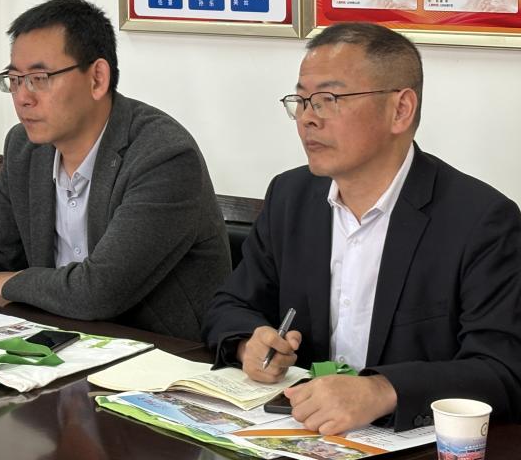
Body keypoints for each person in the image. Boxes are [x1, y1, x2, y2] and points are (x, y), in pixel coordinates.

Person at [203, 23, 521, 434]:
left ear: (400, 109)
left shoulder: (480, 220)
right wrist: (249, 342)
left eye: (328, 100)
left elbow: (502, 370)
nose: (307, 119)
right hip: (300, 431)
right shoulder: (290, 196)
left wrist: (383, 390)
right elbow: (228, 304)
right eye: (301, 101)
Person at [0, 0, 231, 339]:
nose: (22, 97)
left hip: (161, 357)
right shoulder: (26, 147)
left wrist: (13, 283)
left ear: (97, 78)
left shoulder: (162, 156)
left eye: (38, 79)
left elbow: (100, 291)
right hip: (60, 341)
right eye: (14, 80)